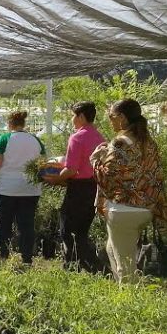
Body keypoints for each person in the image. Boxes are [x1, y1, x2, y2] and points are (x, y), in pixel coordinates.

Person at [92, 99, 167, 283]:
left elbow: (107, 177)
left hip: (123, 209)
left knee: (125, 267)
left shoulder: (119, 143)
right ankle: (124, 295)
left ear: (123, 118)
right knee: (112, 249)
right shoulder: (149, 142)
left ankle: (130, 305)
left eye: (112, 116)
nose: (110, 120)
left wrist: (94, 160)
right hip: (147, 208)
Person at [42, 102, 105, 270]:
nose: (72, 119)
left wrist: (55, 179)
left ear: (81, 117)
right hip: (94, 187)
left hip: (78, 188)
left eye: (73, 115)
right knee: (83, 229)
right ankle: (87, 264)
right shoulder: (100, 137)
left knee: (67, 227)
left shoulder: (77, 137)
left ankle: (71, 264)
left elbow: (71, 169)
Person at [0, 111, 46, 264]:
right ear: (23, 124)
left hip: (6, 189)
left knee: (4, 224)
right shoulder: (36, 140)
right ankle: (27, 259)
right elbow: (43, 164)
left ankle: (3, 257)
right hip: (30, 189)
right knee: (27, 225)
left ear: (9, 124)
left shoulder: (3, 139)